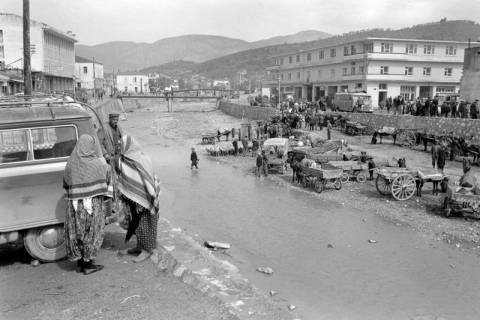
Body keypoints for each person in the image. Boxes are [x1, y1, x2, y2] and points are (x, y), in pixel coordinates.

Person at [63, 134, 111, 275]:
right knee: (92, 232)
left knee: (78, 232)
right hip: (93, 204)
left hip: (75, 205)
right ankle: (88, 265)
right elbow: (107, 177)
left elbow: (65, 182)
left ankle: (80, 262)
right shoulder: (97, 164)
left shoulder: (71, 164)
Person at [117, 135, 161, 263]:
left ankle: (147, 250)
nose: (120, 147)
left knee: (144, 223)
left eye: (121, 145)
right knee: (135, 223)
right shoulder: (126, 158)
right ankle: (139, 247)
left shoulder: (139, 159)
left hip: (144, 197)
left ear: (128, 145)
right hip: (134, 197)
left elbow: (146, 179)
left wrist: (144, 196)